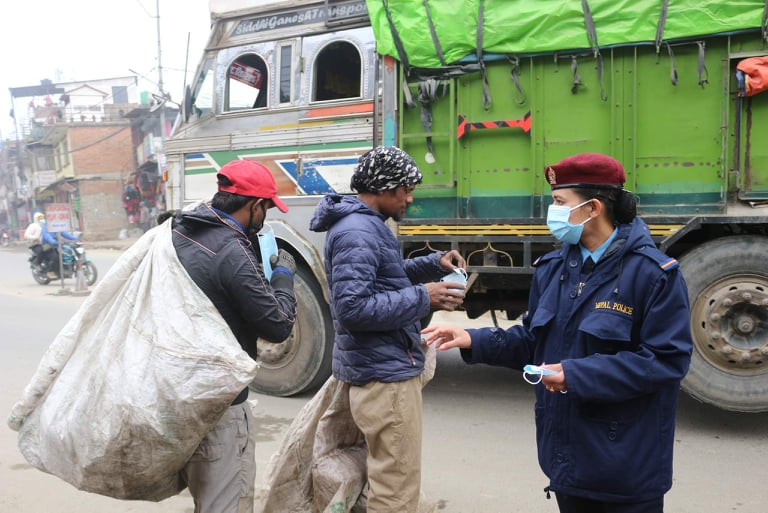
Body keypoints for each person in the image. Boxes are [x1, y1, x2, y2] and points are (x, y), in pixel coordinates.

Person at [422, 153, 693, 513]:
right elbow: (536, 340)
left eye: (559, 202)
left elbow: (666, 361)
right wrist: (474, 339)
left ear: (593, 207)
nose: (553, 212)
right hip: (566, 460)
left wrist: (574, 375)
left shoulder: (654, 275)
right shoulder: (554, 268)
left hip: (624, 468)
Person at [309, 145, 467, 513]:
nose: (410, 198)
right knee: (395, 489)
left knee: (388, 478)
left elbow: (384, 279)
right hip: (385, 379)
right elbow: (352, 308)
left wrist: (433, 265)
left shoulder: (365, 227)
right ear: (384, 187)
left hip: (380, 370)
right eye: (405, 189)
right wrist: (424, 298)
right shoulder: (358, 232)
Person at [171, 159, 298, 513]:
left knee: (205, 499)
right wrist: (283, 276)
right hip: (221, 405)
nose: (266, 217)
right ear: (254, 206)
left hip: (183, 394)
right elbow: (277, 325)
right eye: (267, 208)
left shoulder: (182, 231)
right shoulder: (232, 251)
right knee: (228, 503)